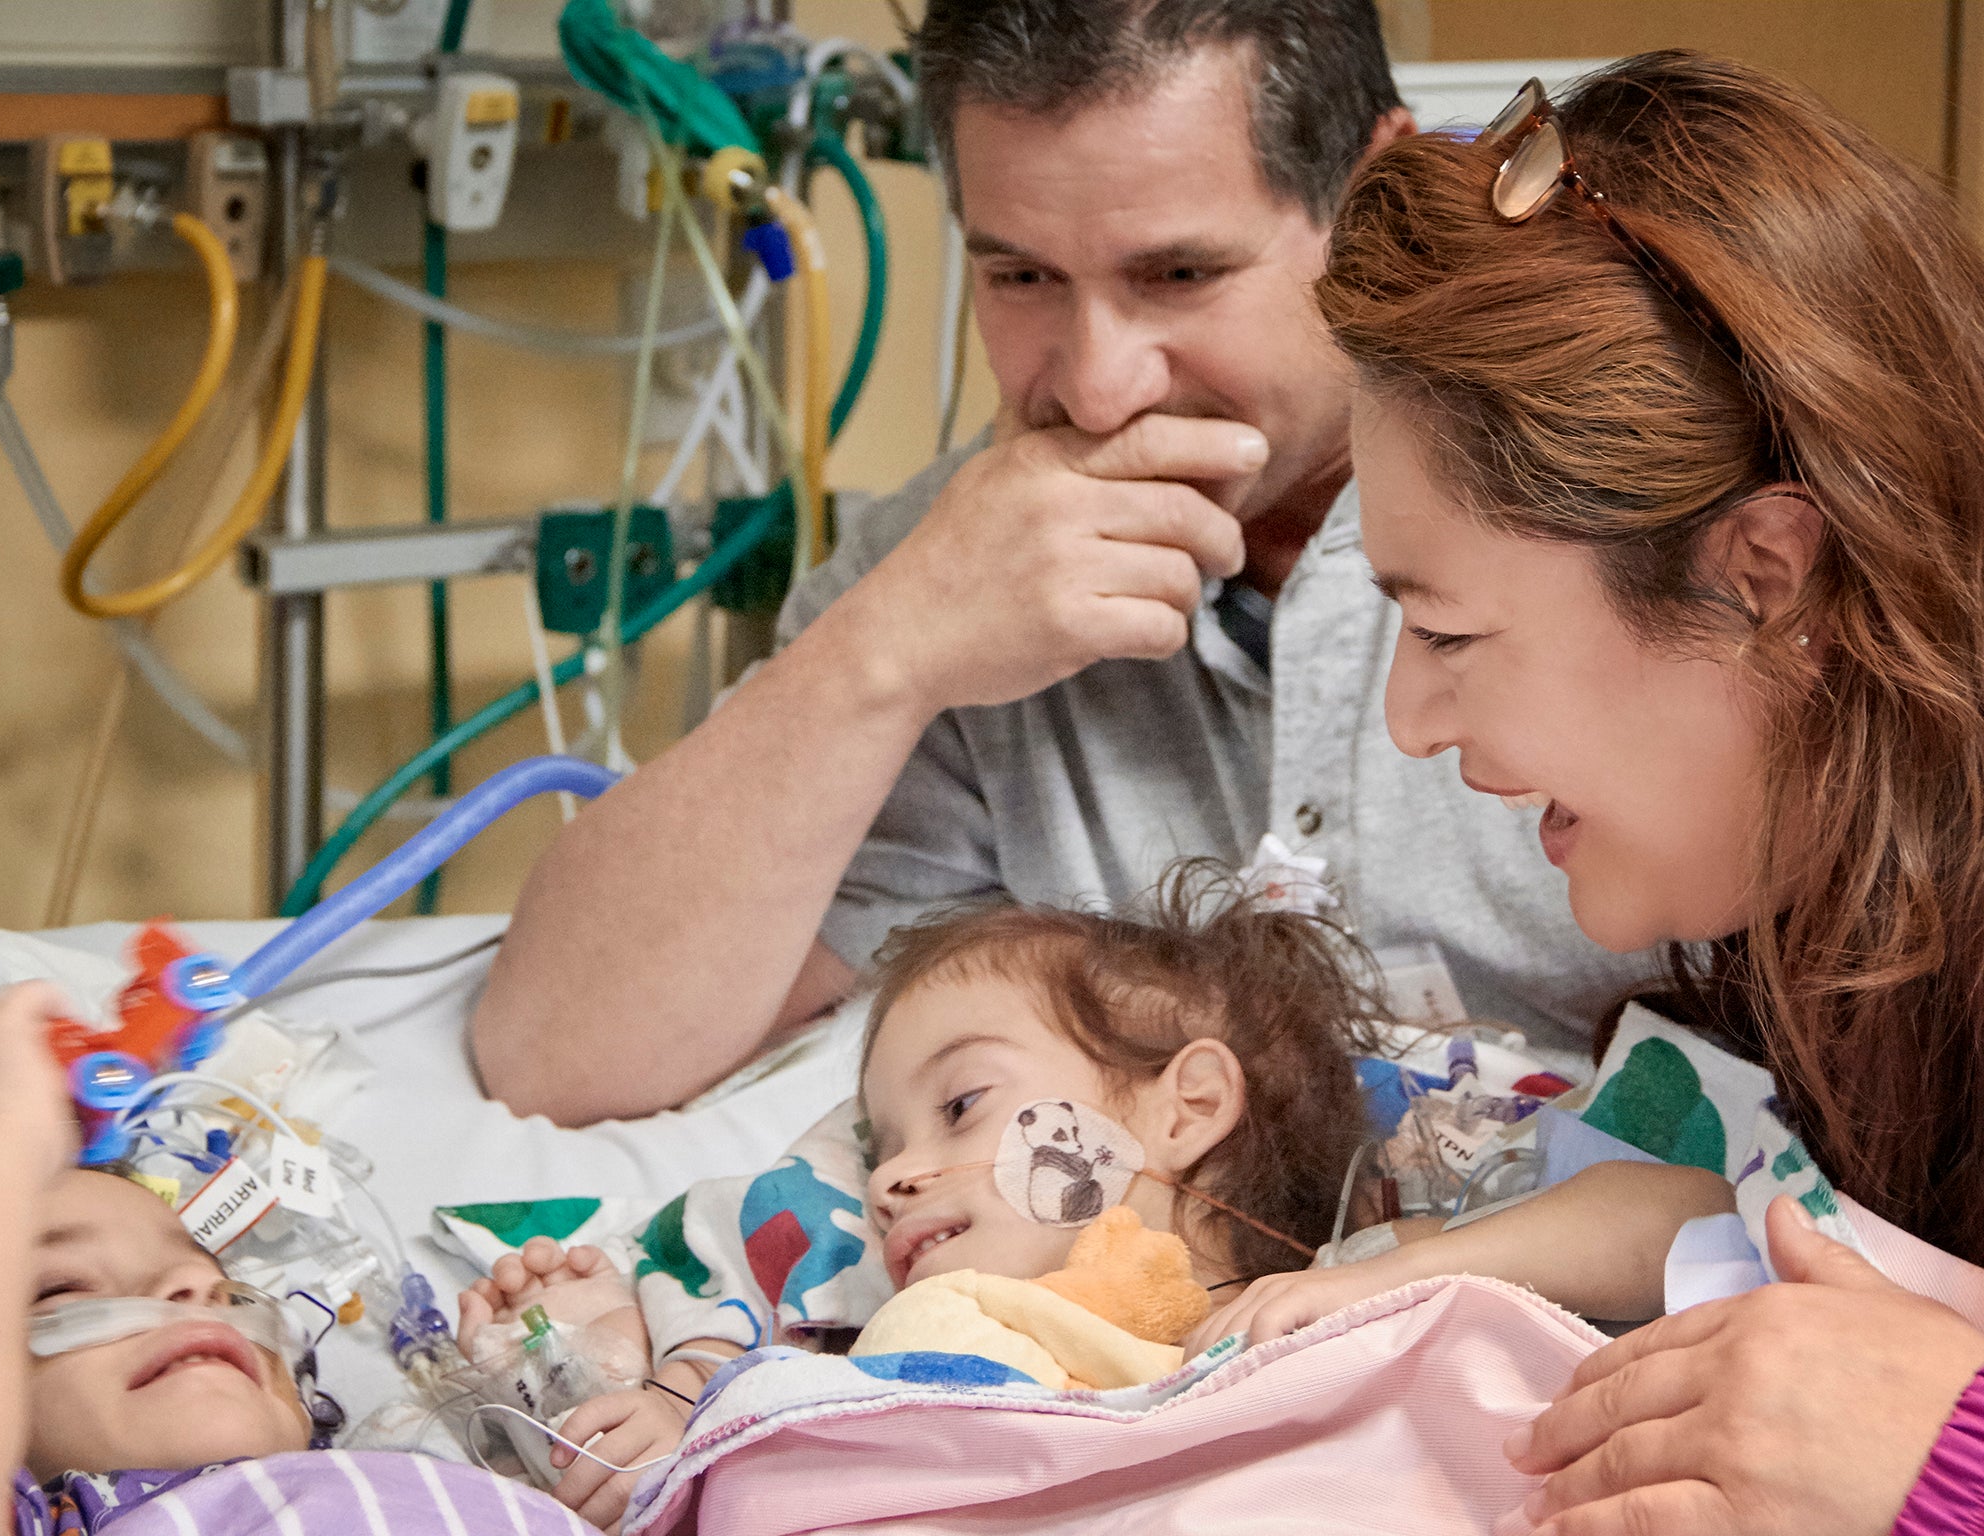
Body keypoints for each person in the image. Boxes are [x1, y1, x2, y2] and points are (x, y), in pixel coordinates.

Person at [469, 0, 1654, 1125]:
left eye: (1177, 276)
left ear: (1369, 199)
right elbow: (557, 1057)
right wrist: (883, 655)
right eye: (1021, 277)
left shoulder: (1619, 506)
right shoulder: (960, 568)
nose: (1095, 386)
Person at [1306, 49, 1984, 1535]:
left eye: (1450, 633)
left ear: (1765, 583)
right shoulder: (1840, 944)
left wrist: (1944, 1456)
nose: (1409, 722)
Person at [458, 868, 1729, 1531]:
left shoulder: (1354, 1275)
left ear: (1184, 1107)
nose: (894, 1175)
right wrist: (627, 1376)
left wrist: (1367, 1285)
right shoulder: (862, 1361)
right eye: (881, 1142)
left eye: (960, 1105)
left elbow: (1675, 1215)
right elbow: (755, 1442)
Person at [0, 983, 605, 1534]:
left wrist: (598, 1373)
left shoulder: (447, 1453)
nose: (193, 1282)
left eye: (225, 1286)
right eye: (61, 1289)